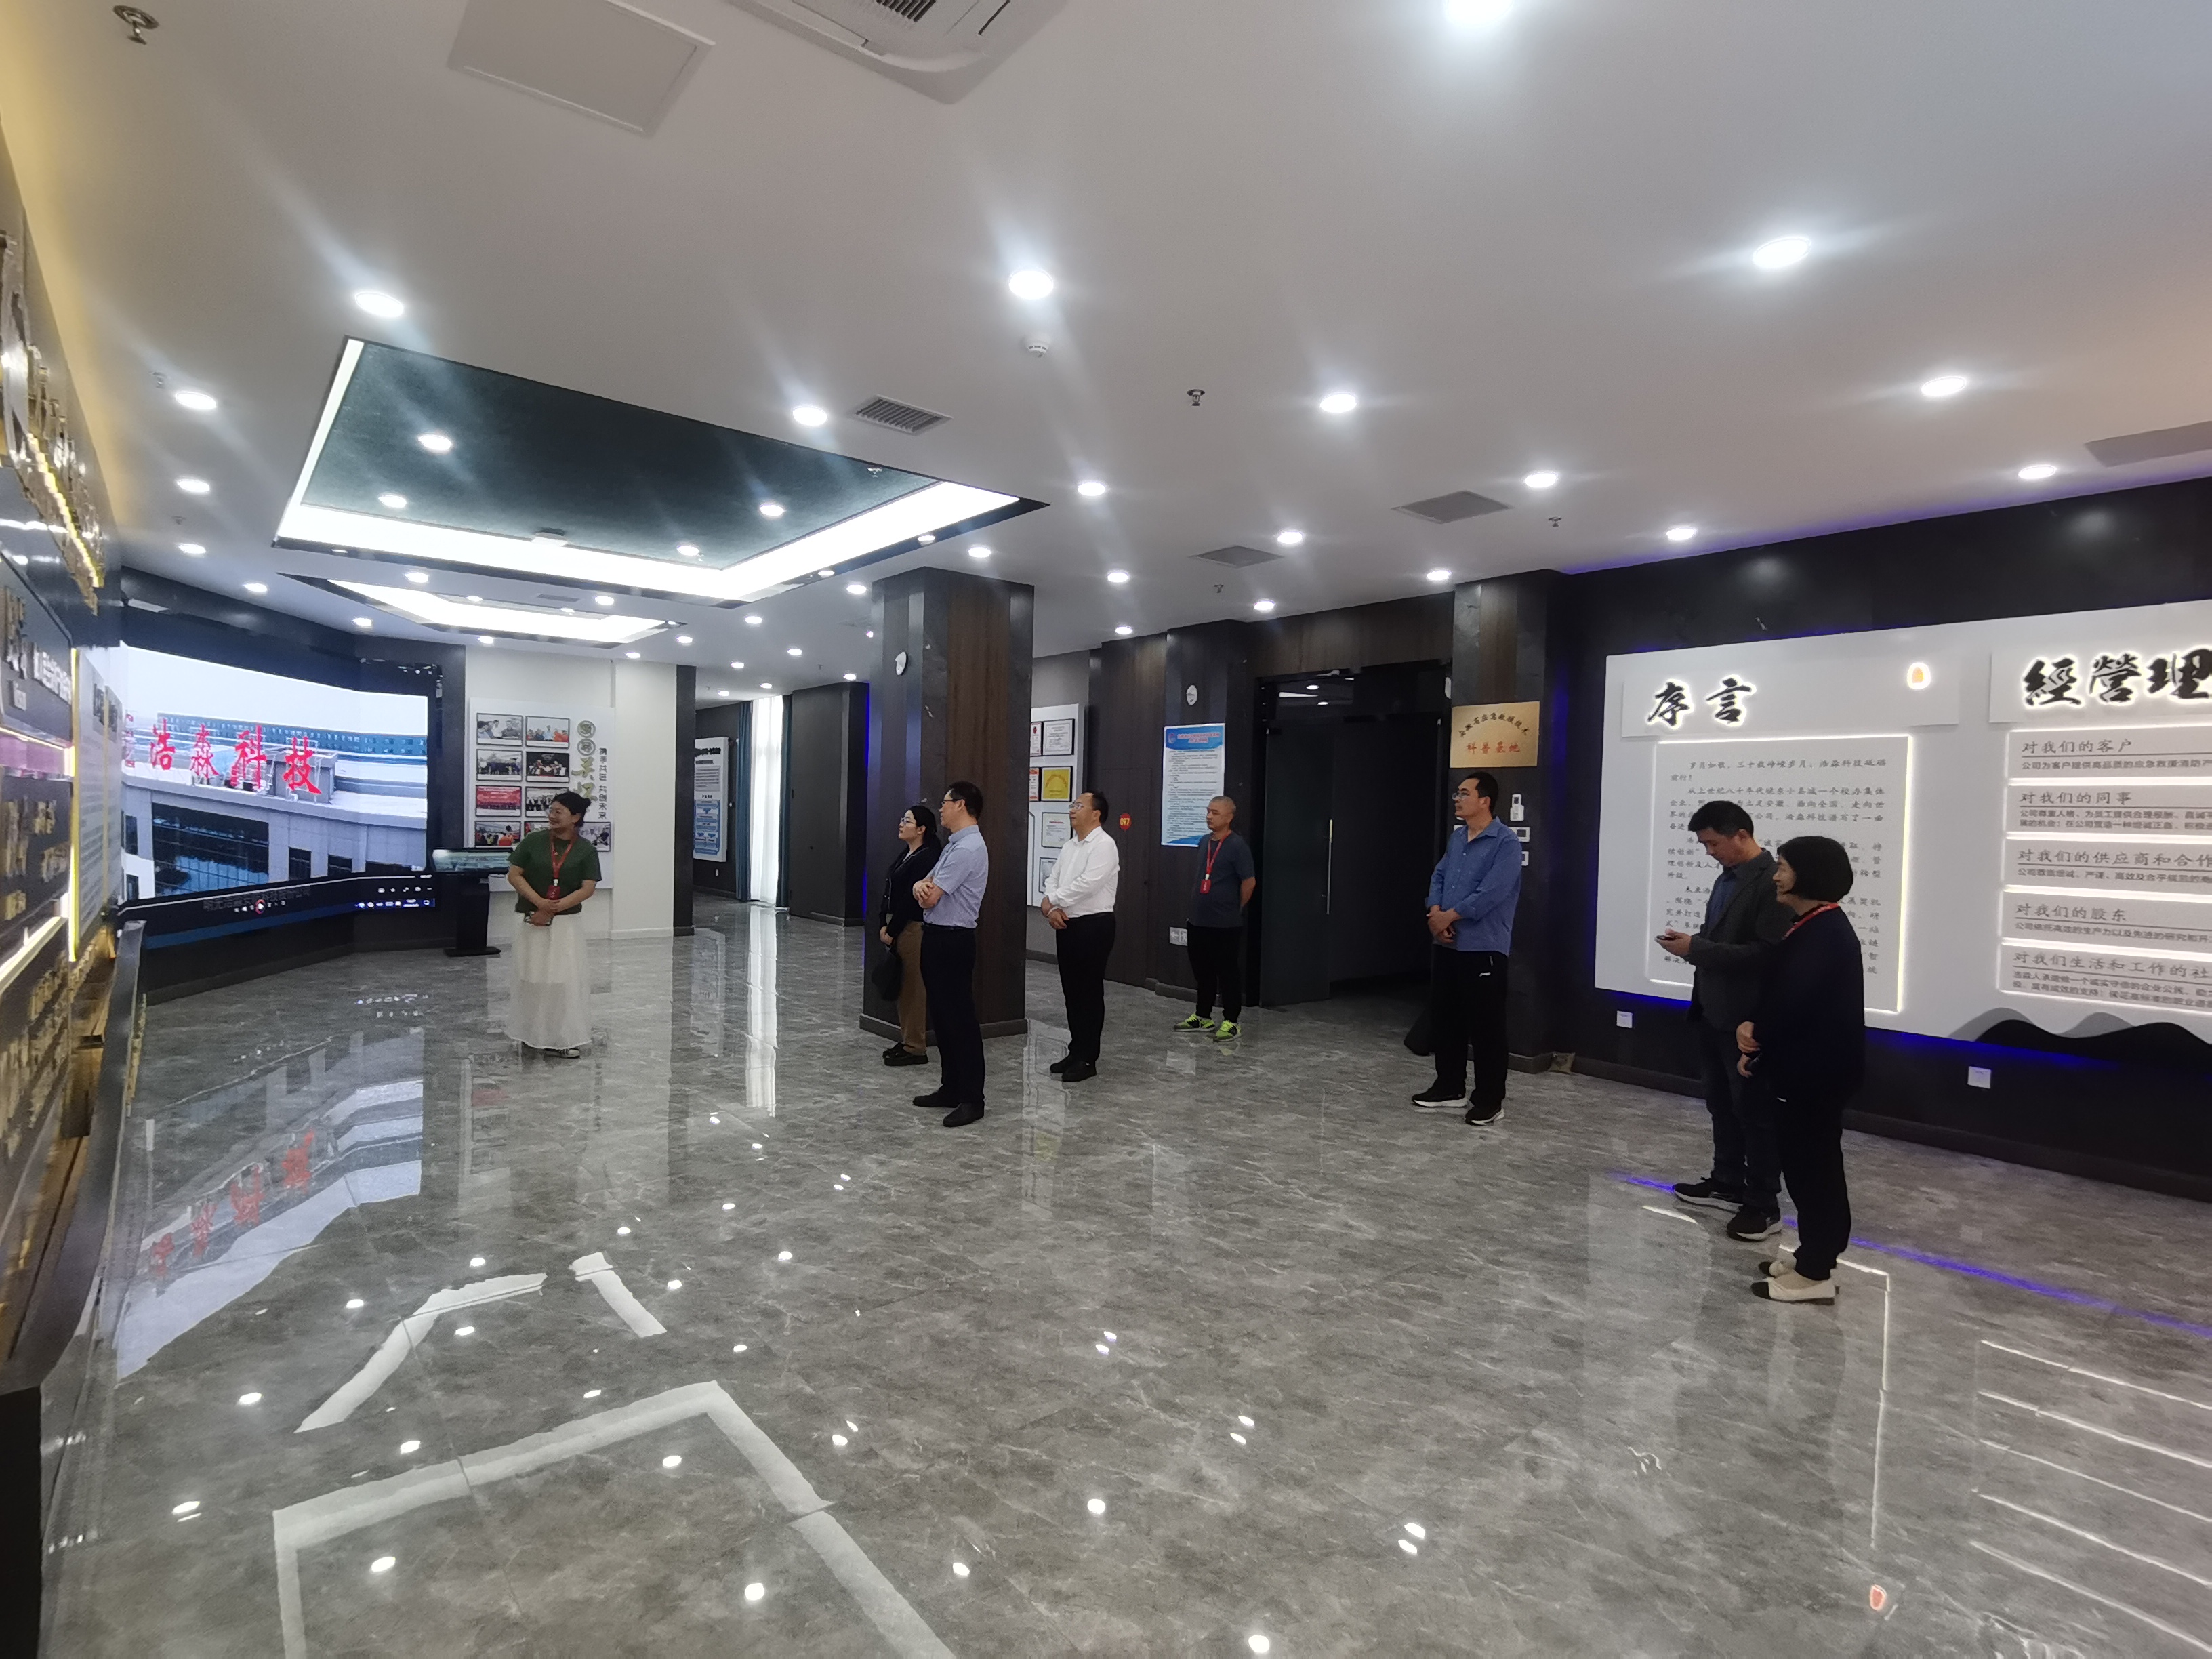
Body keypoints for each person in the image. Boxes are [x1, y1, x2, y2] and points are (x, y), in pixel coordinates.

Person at [1736, 836, 1865, 1305]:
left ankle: (1816, 1272)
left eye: (1784, 867)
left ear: (1808, 875)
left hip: (1813, 1073)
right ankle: (1813, 1254)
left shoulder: (1823, 932)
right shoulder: (1814, 925)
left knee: (1815, 1170)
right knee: (1807, 1165)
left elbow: (1794, 1005)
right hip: (1808, 1069)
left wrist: (1755, 1039)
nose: (1776, 875)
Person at [1660, 800, 1793, 1242]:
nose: (1710, 852)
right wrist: (1693, 944)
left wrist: (1696, 949)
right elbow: (1722, 940)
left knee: (1754, 1114)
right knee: (1721, 1104)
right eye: (1705, 845)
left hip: (1745, 1020)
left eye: (1714, 843)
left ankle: (1763, 1204)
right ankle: (1727, 1181)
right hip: (1712, 1010)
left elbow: (1766, 955)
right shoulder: (1727, 878)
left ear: (1742, 835)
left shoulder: (1771, 883)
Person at [1413, 771, 1521, 1126]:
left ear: (1484, 801)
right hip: (1447, 943)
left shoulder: (1505, 843)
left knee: (1487, 1028)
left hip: (1483, 948)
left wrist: (1450, 916)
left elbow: (1492, 892)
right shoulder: (1458, 837)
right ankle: (1449, 1087)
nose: (1457, 800)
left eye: (1464, 794)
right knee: (1447, 1020)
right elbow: (1440, 875)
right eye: (1457, 794)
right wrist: (1435, 911)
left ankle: (1490, 1100)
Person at [913, 780, 989, 1127]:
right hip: (937, 937)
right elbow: (922, 884)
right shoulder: (954, 844)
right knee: (942, 1018)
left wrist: (923, 889)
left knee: (960, 1020)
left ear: (960, 805)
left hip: (953, 940)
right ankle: (951, 1087)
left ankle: (972, 1098)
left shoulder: (968, 848)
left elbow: (929, 896)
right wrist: (920, 887)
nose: (940, 808)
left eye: (945, 802)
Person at [504, 791, 601, 1059]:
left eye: (559, 811)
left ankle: (560, 1038)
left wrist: (554, 907)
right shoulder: (534, 841)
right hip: (532, 920)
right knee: (531, 978)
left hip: (565, 925)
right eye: (552, 810)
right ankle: (531, 1034)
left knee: (561, 980)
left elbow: (588, 888)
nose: (552, 815)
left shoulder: (586, 850)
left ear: (576, 817)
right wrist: (540, 904)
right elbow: (514, 875)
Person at [1040, 789, 1121, 1082]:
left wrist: (1052, 901)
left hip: (1094, 926)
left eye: (1079, 806)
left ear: (1096, 814)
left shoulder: (1104, 845)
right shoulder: (1070, 845)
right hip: (1067, 924)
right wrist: (1052, 907)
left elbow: (1088, 884)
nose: (1072, 810)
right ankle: (1076, 1050)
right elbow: (1054, 877)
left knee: (1088, 992)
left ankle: (1088, 1058)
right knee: (1072, 992)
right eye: (1072, 805)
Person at [1175, 796, 1256, 1040]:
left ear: (1230, 817)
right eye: (1208, 812)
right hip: (1198, 920)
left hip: (1225, 924)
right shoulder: (1203, 842)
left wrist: (1235, 908)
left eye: (1216, 813)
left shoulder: (1237, 846)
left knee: (1228, 973)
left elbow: (1249, 882)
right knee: (1203, 972)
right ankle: (1203, 1016)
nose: (1209, 817)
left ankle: (1231, 1021)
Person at [877, 802, 941, 1068]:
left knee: (913, 989)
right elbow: (891, 890)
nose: (901, 824)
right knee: (903, 987)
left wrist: (892, 930)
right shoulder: (907, 853)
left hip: (912, 928)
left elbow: (910, 901)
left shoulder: (928, 857)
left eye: (908, 821)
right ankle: (907, 1040)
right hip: (896, 925)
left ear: (922, 829)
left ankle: (915, 1047)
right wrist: (883, 921)